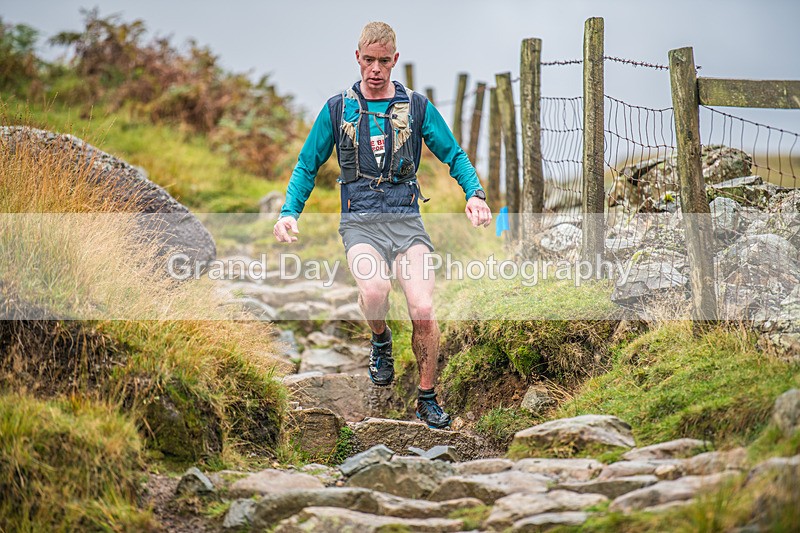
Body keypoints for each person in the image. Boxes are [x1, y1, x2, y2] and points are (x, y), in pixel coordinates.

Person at [273, 21, 491, 429]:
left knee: (423, 309)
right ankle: (380, 340)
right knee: (375, 291)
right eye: (368, 60)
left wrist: (474, 195)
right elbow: (307, 165)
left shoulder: (418, 107)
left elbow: (454, 154)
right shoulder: (338, 109)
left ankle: (427, 398)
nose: (375, 68)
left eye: (383, 61)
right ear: (358, 58)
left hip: (407, 221)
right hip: (360, 222)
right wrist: (289, 212)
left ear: (395, 60)